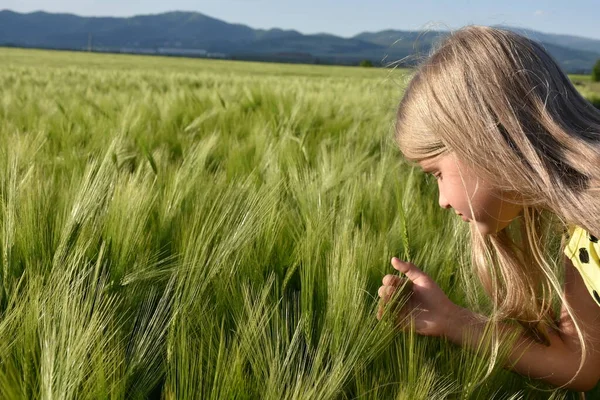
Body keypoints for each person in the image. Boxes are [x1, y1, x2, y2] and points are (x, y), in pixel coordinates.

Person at [376, 25, 600, 394]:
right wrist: (451, 320)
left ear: (488, 142)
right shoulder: (578, 236)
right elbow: (579, 365)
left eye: (436, 174)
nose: (441, 201)